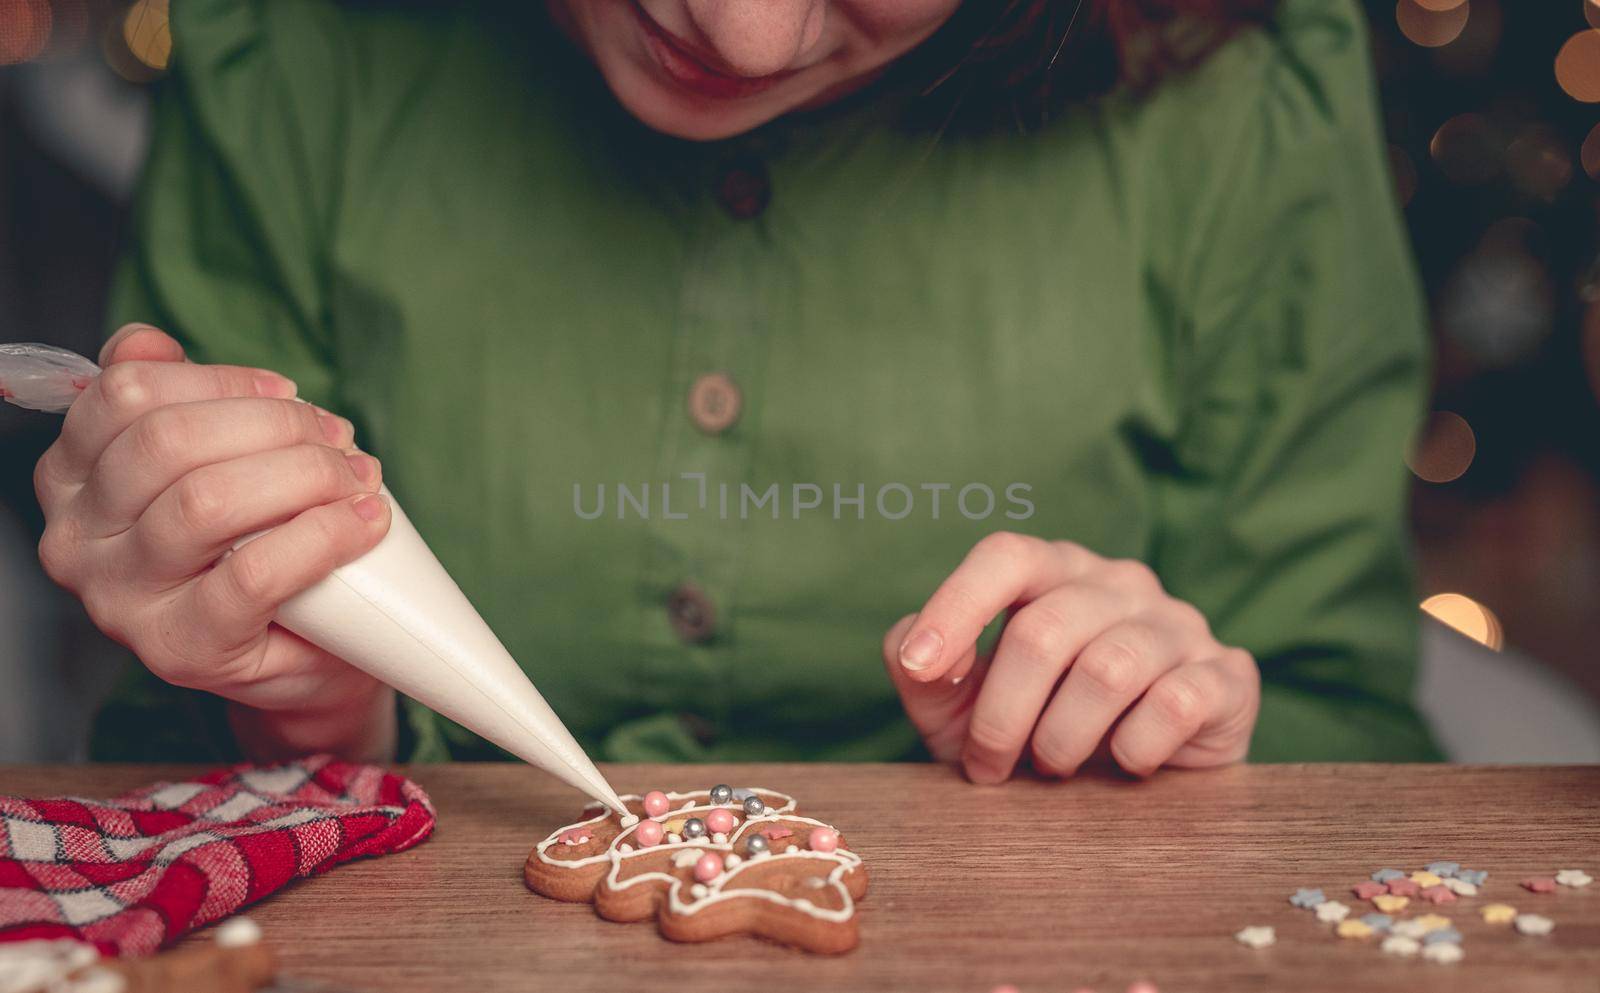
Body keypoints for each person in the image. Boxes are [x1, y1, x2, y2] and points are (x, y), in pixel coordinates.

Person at [34, 0, 1441, 778]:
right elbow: (162, 766)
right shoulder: (292, 51)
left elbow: (1355, 739)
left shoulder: (1247, 93)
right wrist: (308, 711)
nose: (745, 34)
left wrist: (1186, 727)